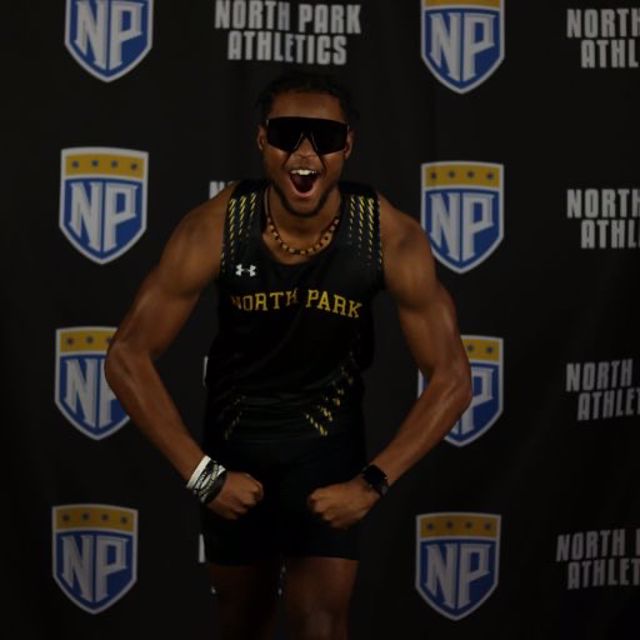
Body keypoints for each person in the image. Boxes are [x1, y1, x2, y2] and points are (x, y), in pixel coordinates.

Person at [105, 71, 472, 640]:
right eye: (287, 135)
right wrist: (203, 475)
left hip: (328, 453)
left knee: (320, 625)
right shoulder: (216, 226)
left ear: (347, 145)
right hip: (234, 450)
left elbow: (452, 377)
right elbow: (126, 355)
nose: (304, 155)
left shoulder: (389, 236)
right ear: (262, 141)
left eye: (324, 138)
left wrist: (372, 483)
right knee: (242, 624)